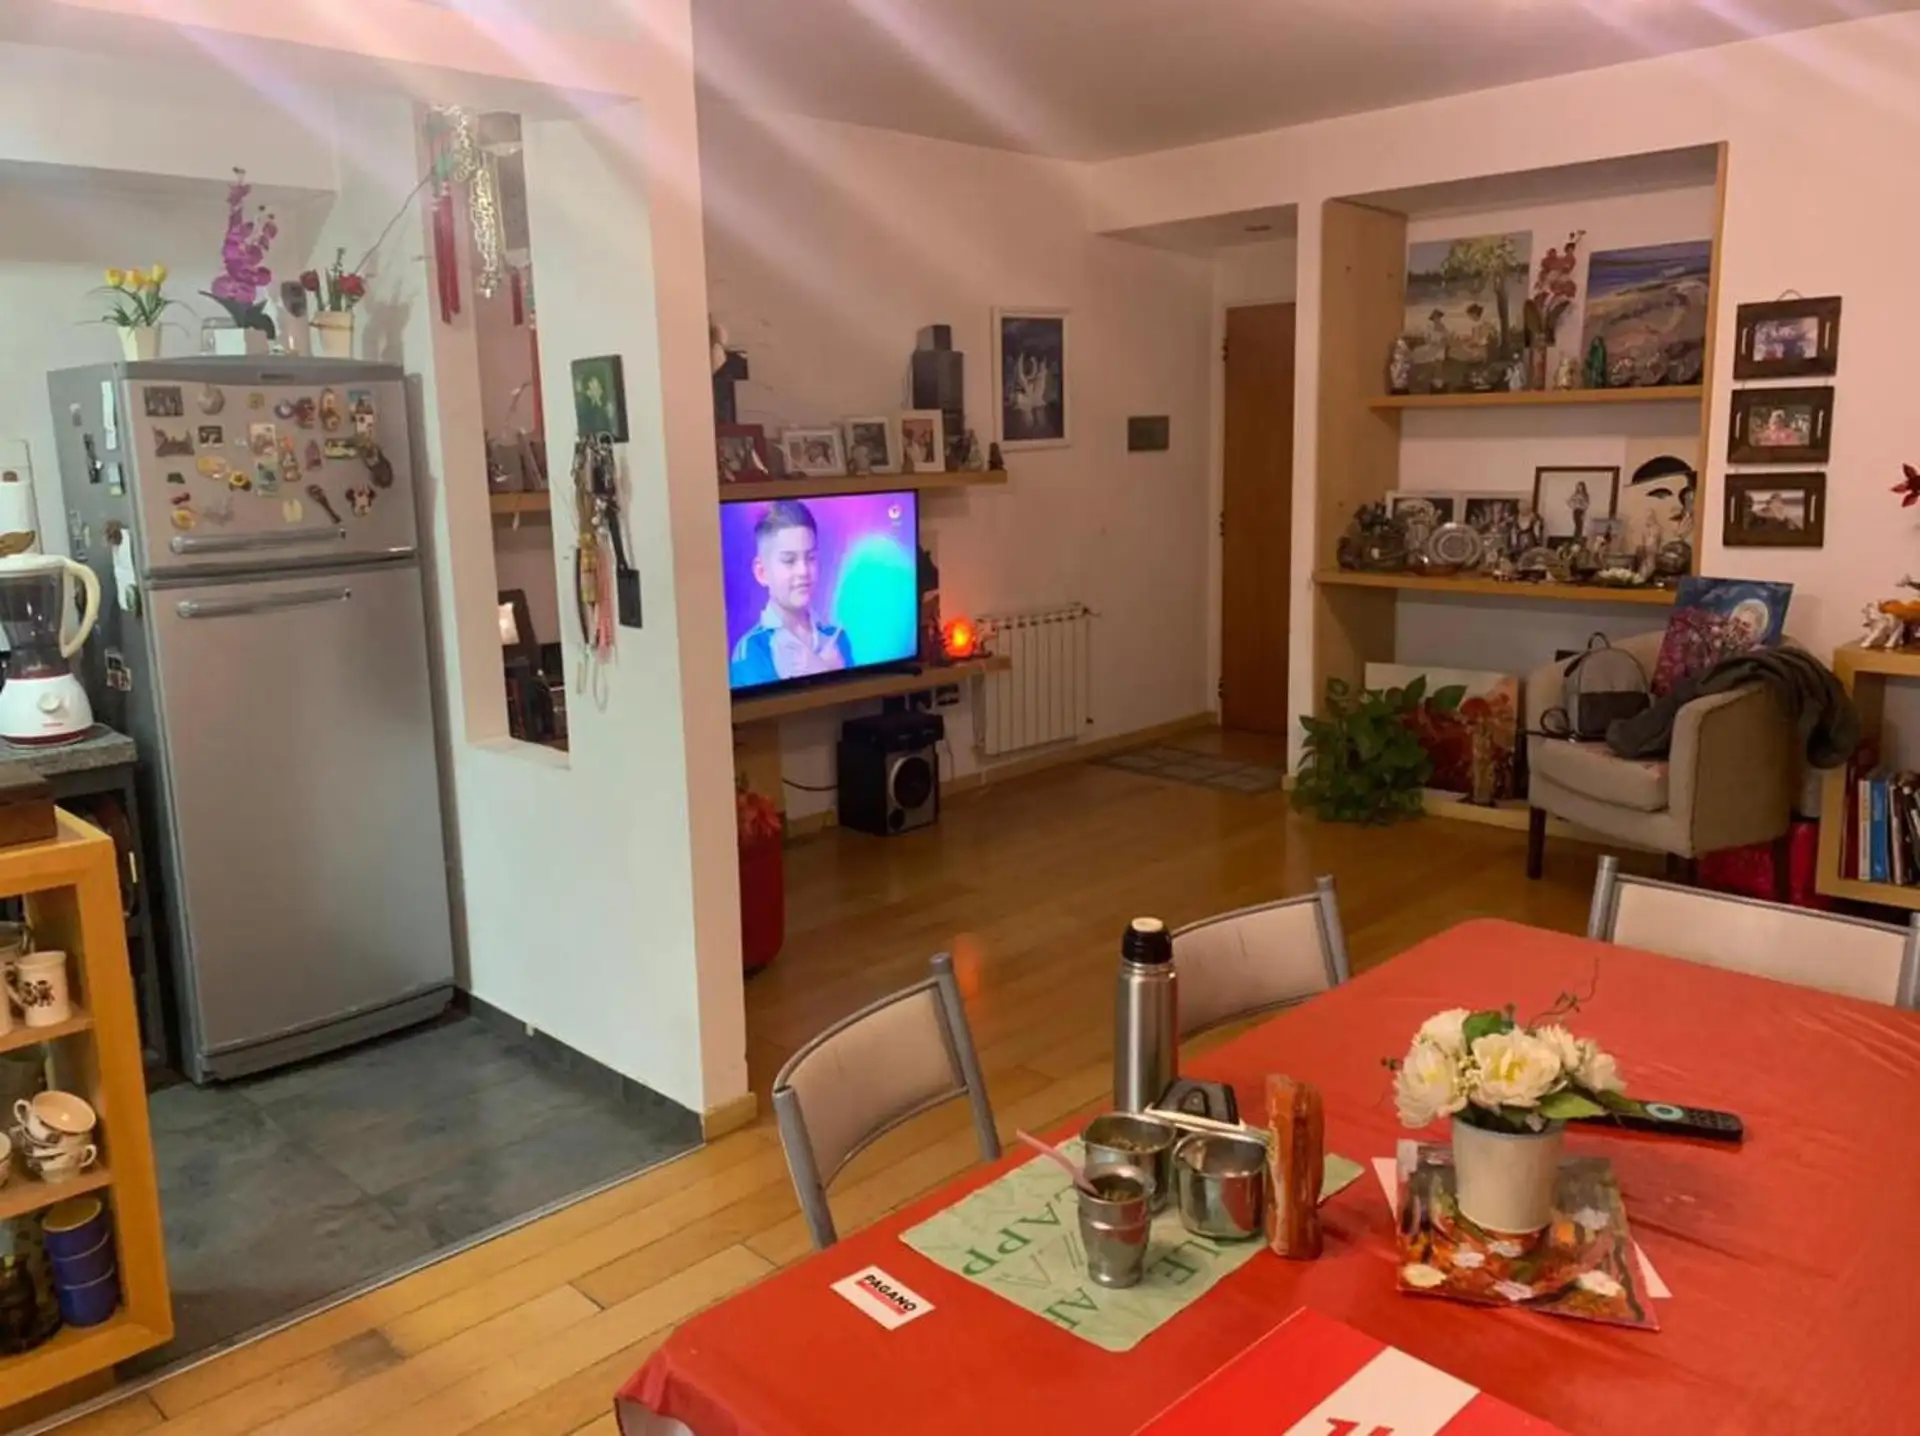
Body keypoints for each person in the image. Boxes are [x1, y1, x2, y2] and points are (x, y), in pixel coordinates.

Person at [729, 500, 853, 687]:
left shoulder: (837, 638)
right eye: (789, 560)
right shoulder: (752, 649)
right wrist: (824, 672)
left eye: (810, 558)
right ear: (762, 572)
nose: (803, 571)